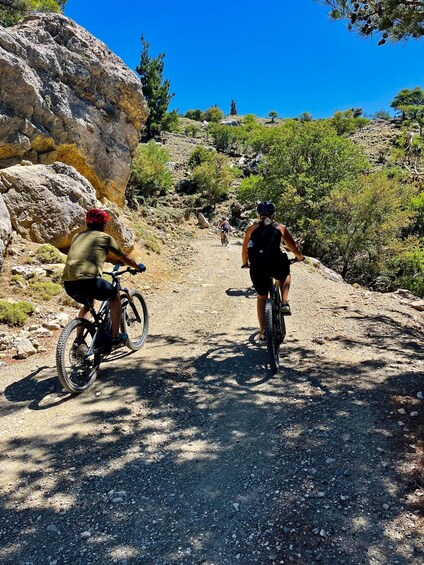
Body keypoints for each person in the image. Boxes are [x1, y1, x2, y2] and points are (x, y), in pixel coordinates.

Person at [62, 208, 145, 347]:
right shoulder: (105, 238)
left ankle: (79, 341)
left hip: (69, 282)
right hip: (89, 280)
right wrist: (137, 266)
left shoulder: (79, 237)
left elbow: (86, 255)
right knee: (115, 296)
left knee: (88, 304)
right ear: (104, 225)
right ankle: (115, 337)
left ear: (87, 223)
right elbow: (123, 256)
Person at [241, 201, 304, 341]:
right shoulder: (280, 227)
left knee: (261, 297)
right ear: (273, 213)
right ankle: (285, 302)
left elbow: (245, 251)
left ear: (259, 214)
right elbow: (293, 248)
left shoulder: (251, 229)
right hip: (276, 263)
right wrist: (299, 257)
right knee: (285, 273)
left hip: (257, 267)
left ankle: (263, 331)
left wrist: (245, 264)